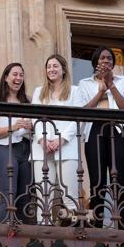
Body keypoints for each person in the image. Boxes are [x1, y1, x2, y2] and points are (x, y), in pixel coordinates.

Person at [76, 46, 124, 229]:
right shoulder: (84, 83)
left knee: (119, 181)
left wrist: (111, 86)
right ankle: (96, 228)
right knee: (97, 182)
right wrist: (100, 91)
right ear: (95, 62)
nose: (106, 61)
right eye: (102, 58)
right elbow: (83, 112)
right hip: (94, 132)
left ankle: (123, 230)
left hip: (117, 131)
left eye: (109, 58)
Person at [31, 55, 80, 225]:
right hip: (41, 150)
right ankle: (43, 231)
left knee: (69, 195)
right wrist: (42, 139)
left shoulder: (75, 91)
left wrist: (61, 139)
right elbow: (35, 118)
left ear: (63, 69)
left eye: (55, 66)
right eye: (48, 66)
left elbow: (78, 118)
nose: (51, 69)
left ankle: (73, 232)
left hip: (67, 148)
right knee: (43, 195)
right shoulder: (39, 91)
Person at [0, 63, 33, 223]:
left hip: (26, 151)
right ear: (6, 78)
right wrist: (13, 127)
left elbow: (36, 128)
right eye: (14, 74)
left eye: (21, 75)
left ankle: (22, 239)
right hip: (6, 149)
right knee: (8, 194)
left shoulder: (28, 100)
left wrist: (31, 127)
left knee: (24, 197)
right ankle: (4, 237)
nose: (18, 78)